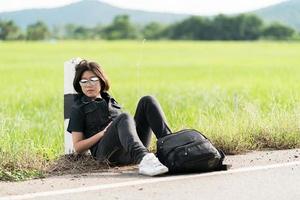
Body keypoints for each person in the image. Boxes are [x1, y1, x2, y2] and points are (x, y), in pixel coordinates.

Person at [67, 59, 171, 176]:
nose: (88, 85)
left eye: (93, 80)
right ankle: (144, 158)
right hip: (107, 154)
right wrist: (102, 134)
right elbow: (78, 147)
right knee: (124, 116)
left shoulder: (111, 101)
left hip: (128, 149)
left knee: (147, 100)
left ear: (101, 81)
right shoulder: (79, 108)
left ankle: (171, 150)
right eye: (84, 81)